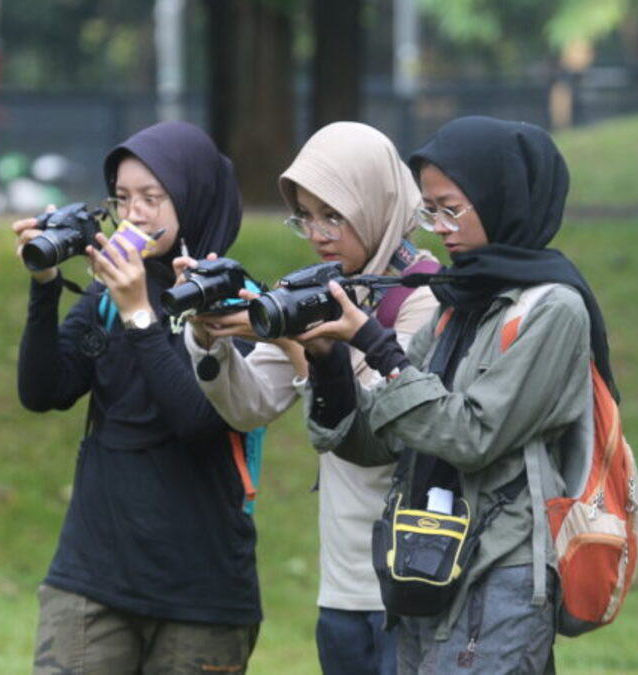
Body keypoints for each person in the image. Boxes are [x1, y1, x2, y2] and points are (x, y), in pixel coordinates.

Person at [296, 116, 619, 673]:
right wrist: (327, 363)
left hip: (501, 570)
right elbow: (374, 442)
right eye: (429, 211)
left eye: (451, 209)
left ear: (501, 199)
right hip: (427, 564)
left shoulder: (553, 309)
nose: (439, 228)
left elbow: (471, 435)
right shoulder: (458, 301)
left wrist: (377, 345)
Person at [178, 122, 440, 674]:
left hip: (413, 577)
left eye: (333, 215)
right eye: (305, 216)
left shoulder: (424, 295)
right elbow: (249, 406)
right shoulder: (319, 287)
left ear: (375, 203)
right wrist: (211, 336)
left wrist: (298, 346)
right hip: (342, 583)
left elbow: (385, 425)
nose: (318, 233)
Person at [11, 121, 261, 674]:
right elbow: (43, 391)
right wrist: (45, 286)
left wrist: (141, 316)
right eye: (122, 199)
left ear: (193, 198)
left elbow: (198, 421)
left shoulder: (240, 302)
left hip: (202, 592)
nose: (135, 214)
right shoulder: (108, 292)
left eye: (152, 197)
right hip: (92, 577)